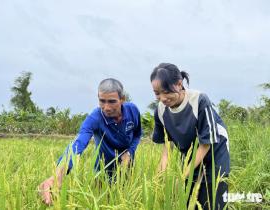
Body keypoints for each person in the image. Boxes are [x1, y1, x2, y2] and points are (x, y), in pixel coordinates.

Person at [38, 78, 142, 205]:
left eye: (112, 101)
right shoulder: (95, 118)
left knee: (125, 200)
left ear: (122, 99)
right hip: (102, 170)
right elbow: (79, 143)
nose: (106, 107)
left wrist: (130, 152)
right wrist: (59, 174)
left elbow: (137, 134)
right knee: (100, 202)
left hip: (126, 167)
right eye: (102, 101)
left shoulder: (133, 111)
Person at [150, 63, 230, 210]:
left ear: (179, 84)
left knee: (213, 198)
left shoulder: (199, 100)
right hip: (190, 151)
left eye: (166, 91)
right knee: (188, 198)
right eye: (157, 93)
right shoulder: (161, 111)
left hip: (214, 148)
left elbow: (206, 144)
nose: (162, 98)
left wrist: (182, 176)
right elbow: (167, 148)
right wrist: (158, 177)